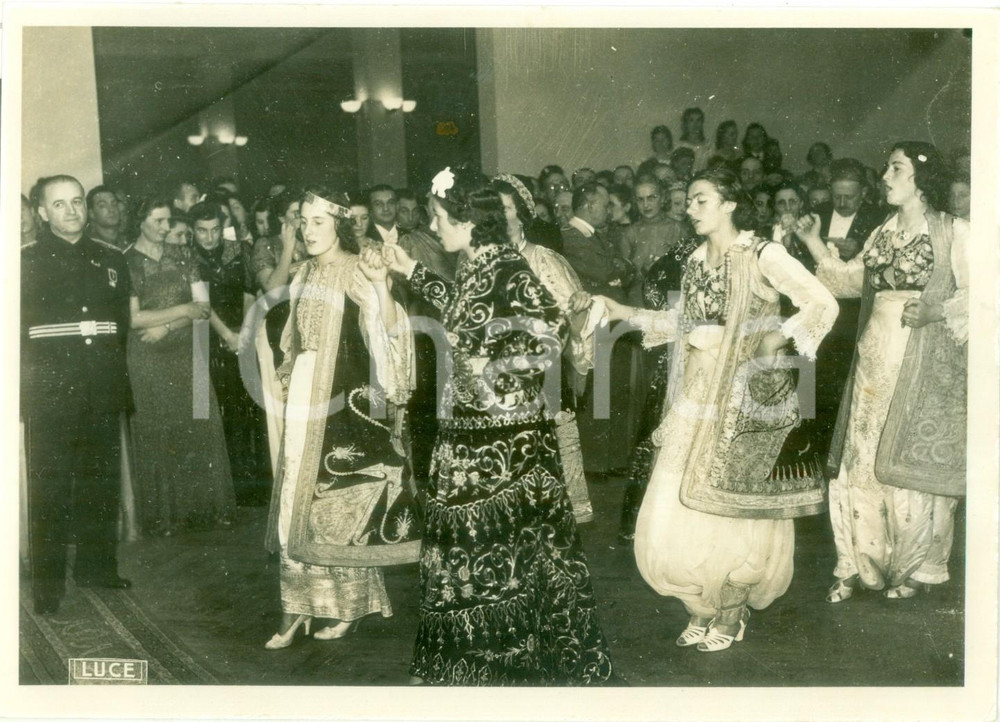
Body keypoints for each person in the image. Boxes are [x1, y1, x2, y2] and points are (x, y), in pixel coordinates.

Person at [382, 164, 613, 685]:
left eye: (440, 217)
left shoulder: (509, 267)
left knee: (501, 552)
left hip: (506, 442)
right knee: (467, 549)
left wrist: (498, 369)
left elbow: (552, 334)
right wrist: (412, 272)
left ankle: (500, 662)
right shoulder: (473, 266)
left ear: (467, 221)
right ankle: (464, 659)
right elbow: (464, 312)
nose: (435, 227)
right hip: (467, 434)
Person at [597, 168, 838, 652]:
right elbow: (682, 320)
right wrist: (624, 312)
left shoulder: (762, 253)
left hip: (747, 396)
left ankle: (731, 609)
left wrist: (776, 336)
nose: (690, 208)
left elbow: (821, 302)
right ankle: (701, 605)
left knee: (732, 505)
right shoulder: (695, 261)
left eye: (700, 199)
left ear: (729, 204)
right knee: (679, 495)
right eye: (689, 200)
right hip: (699, 392)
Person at [793, 141, 967, 602]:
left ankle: (912, 566)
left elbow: (984, 294)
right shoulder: (883, 230)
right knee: (863, 454)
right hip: (873, 356)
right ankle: (859, 562)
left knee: (908, 456)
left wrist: (936, 312)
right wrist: (813, 241)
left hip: (922, 358)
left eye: (896, 168)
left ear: (921, 178)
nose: (885, 177)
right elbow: (850, 281)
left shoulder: (954, 231)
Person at [262, 187, 419, 649]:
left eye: (319, 222)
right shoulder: (303, 272)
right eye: (303, 221)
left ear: (340, 225)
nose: (309, 231)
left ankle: (347, 606)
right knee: (294, 498)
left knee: (338, 505)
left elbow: (389, 331)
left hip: (342, 402)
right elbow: (292, 339)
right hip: (304, 398)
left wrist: (380, 287)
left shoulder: (356, 269)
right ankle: (296, 608)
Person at [21, 175, 134, 614]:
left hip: (101, 387)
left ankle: (97, 567)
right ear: (43, 213)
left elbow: (118, 329)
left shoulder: (110, 259)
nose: (72, 211)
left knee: (100, 484)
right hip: (49, 392)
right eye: (60, 204)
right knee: (49, 491)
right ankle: (47, 587)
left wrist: (108, 378)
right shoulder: (23, 262)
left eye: (77, 202)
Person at [124, 197, 236, 535]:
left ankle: (207, 510)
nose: (165, 227)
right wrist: (183, 310)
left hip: (189, 351)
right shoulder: (126, 261)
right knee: (161, 428)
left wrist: (169, 324)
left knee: (200, 423)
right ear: (140, 222)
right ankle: (166, 517)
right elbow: (134, 318)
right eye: (158, 221)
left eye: (167, 220)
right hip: (147, 357)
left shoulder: (184, 256)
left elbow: (202, 307)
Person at [493, 172, 595, 524]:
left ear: (521, 213)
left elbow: (571, 319)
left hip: (540, 379)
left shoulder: (542, 260)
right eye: (492, 208)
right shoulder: (476, 259)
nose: (498, 215)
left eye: (505, 208)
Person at [190, 201, 269, 506]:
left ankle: (257, 488)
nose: (209, 238)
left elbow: (251, 292)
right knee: (217, 415)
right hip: (207, 339)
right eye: (201, 231)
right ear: (193, 231)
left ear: (222, 226)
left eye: (214, 230)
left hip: (244, 336)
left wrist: (244, 334)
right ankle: (228, 490)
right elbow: (201, 304)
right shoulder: (188, 257)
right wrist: (226, 335)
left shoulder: (241, 251)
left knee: (250, 412)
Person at [676, 107, 711, 171]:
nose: (695, 124)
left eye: (698, 120)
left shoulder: (708, 146)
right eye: (691, 120)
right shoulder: (679, 146)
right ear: (686, 124)